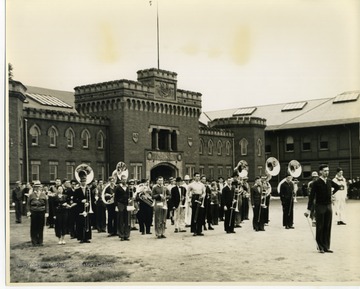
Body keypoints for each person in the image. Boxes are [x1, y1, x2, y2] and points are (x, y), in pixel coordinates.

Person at [305, 164, 340, 253]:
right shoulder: (316, 183)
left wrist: (332, 193)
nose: (327, 172)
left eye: (328, 171)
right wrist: (308, 209)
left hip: (328, 206)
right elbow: (311, 197)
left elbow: (338, 187)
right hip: (320, 206)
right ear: (320, 171)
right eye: (325, 171)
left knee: (327, 226)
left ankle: (326, 246)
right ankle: (320, 246)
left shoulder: (329, 181)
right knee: (320, 227)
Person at [26, 181, 49, 246]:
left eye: (39, 187)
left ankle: (40, 241)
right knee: (34, 226)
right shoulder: (31, 195)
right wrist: (28, 211)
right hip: (34, 212)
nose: (38, 188)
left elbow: (47, 204)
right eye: (36, 187)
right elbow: (28, 204)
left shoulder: (43, 195)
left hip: (41, 212)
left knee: (41, 226)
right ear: (34, 187)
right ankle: (34, 241)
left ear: (41, 187)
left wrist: (47, 212)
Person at [74, 174, 93, 243]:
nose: (84, 183)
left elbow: (92, 199)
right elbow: (74, 200)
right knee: (80, 223)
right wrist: (81, 201)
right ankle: (81, 237)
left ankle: (87, 237)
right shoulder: (77, 190)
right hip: (80, 208)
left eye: (85, 181)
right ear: (80, 182)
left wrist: (88, 203)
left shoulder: (88, 189)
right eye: (82, 181)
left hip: (87, 208)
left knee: (87, 223)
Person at [115, 176, 132, 241]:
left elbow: (130, 195)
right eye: (123, 180)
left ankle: (126, 235)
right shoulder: (118, 187)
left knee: (127, 220)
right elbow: (115, 197)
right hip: (120, 204)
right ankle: (121, 235)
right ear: (121, 180)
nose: (125, 181)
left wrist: (130, 200)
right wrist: (116, 206)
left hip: (127, 204)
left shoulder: (128, 187)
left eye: (125, 180)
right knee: (121, 220)